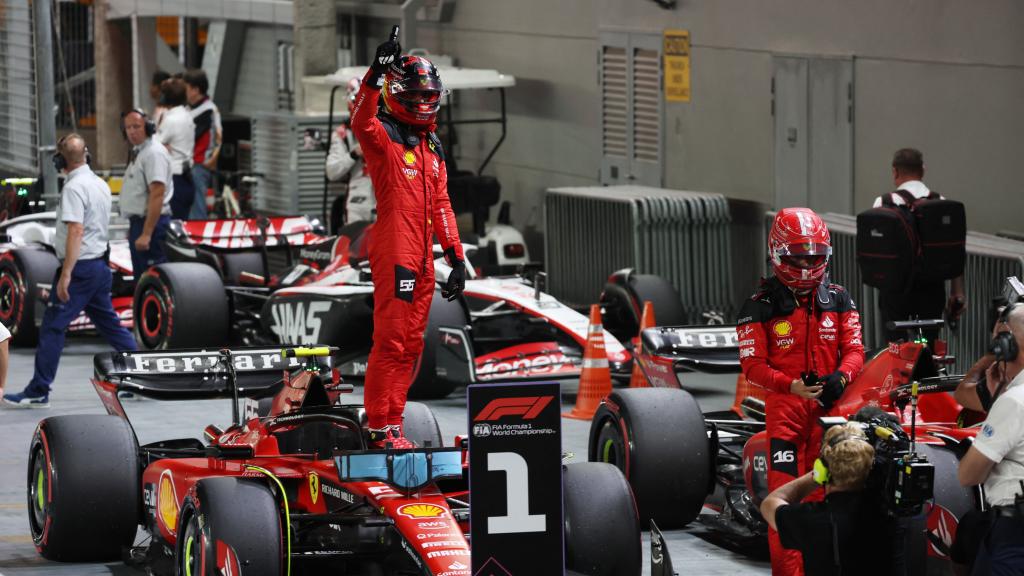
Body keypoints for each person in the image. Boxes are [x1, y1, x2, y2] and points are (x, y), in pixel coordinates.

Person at [351, 34, 465, 448]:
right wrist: (375, 73)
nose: (424, 102)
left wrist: (456, 256)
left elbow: (442, 204)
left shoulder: (432, 145)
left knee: (412, 344)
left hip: (424, 255)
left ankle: (393, 424)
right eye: (417, 95)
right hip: (395, 247)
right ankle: (379, 425)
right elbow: (359, 121)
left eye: (429, 95)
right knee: (391, 341)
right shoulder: (382, 136)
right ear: (398, 93)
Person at [736, 207, 865, 575]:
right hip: (786, 416)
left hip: (831, 415)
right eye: (799, 255)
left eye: (815, 256)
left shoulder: (840, 299)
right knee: (784, 503)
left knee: (834, 497)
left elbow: (856, 350)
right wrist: (789, 385)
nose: (808, 265)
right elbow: (753, 367)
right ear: (778, 252)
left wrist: (841, 377)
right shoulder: (758, 307)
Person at [3, 135, 136, 408]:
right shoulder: (99, 184)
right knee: (110, 325)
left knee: (52, 326)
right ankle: (140, 376)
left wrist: (66, 274)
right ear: (85, 154)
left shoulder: (74, 188)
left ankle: (39, 390)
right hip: (99, 263)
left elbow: (76, 230)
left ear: (60, 160)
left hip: (80, 268)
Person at [761, 423, 897, 576]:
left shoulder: (811, 519)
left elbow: (770, 503)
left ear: (823, 469)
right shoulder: (888, 514)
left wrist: (816, 476)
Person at [873, 148, 966, 345]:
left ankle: (899, 372)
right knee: (930, 343)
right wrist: (957, 292)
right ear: (922, 170)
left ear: (895, 172)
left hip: (895, 290)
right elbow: (953, 250)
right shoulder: (940, 202)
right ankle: (929, 368)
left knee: (895, 345)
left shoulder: (885, 202)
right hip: (931, 289)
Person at [958, 303, 1024, 575]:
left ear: (1007, 346)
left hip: (1014, 535)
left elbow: (968, 475)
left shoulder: (1014, 402)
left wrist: (999, 399)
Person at [120, 108, 173, 275]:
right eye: (128, 128)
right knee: (141, 278)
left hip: (152, 225)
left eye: (136, 126)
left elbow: (157, 193)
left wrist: (146, 234)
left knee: (151, 278)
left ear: (148, 127)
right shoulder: (140, 152)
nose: (132, 132)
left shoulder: (153, 153)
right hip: (140, 223)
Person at [326, 77, 376, 231]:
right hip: (357, 199)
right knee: (356, 248)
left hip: (387, 195)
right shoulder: (342, 134)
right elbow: (332, 172)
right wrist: (354, 153)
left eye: (367, 100)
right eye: (357, 100)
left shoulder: (390, 127)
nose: (361, 105)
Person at [183, 69, 221, 220]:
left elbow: (215, 139)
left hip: (200, 164)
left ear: (195, 90)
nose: (183, 92)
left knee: (197, 206)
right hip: (190, 165)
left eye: (186, 88)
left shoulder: (208, 110)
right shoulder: (190, 109)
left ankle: (198, 240)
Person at [156, 77, 195, 220]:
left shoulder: (171, 120)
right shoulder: (186, 115)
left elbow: (154, 146)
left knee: (171, 226)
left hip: (175, 178)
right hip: (186, 177)